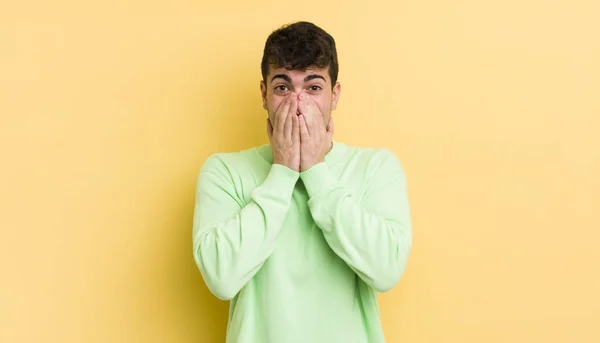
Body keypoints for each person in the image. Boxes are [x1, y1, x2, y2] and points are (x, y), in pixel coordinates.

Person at [192, 21, 412, 343]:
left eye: (313, 88)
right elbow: (222, 279)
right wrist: (282, 171)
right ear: (264, 94)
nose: (298, 104)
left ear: (334, 96)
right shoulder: (224, 172)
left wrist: (315, 171)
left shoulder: (377, 168)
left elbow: (386, 269)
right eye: (283, 87)